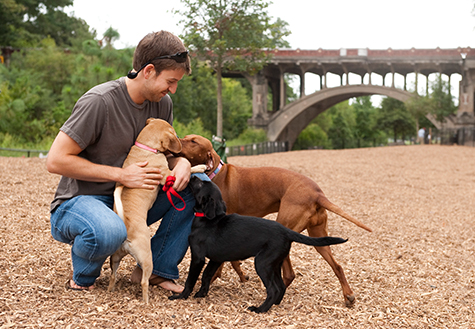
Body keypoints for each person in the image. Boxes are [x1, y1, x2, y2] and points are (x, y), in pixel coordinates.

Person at [46, 31, 209, 293]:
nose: (173, 89)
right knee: (109, 230)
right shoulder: (100, 102)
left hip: (137, 198)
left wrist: (181, 164)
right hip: (82, 201)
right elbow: (55, 161)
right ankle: (83, 278)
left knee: (199, 185)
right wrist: (121, 176)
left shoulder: (161, 103)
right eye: (170, 81)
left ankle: (156, 270)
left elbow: (163, 152)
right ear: (148, 70)